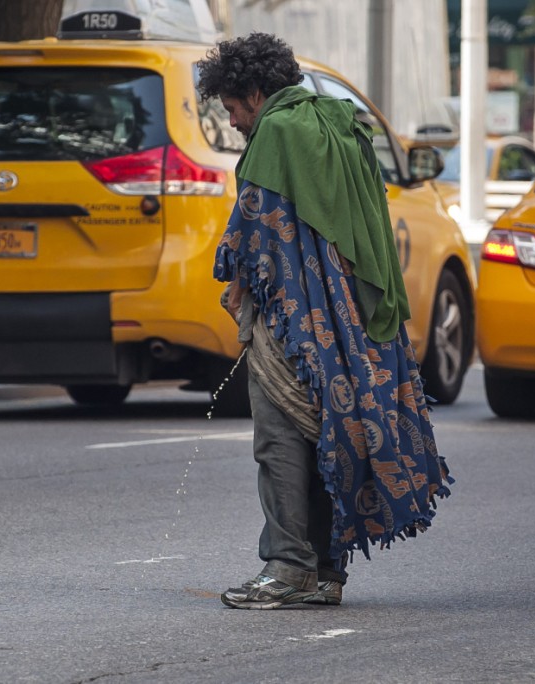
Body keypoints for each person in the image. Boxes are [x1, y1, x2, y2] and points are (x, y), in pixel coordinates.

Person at [196, 33, 453, 610]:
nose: (235, 122)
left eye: (234, 109)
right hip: (354, 316)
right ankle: (325, 572)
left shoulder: (277, 133)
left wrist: (236, 288)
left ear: (256, 94)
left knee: (279, 438)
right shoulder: (341, 124)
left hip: (296, 317)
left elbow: (254, 232)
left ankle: (287, 567)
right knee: (326, 433)